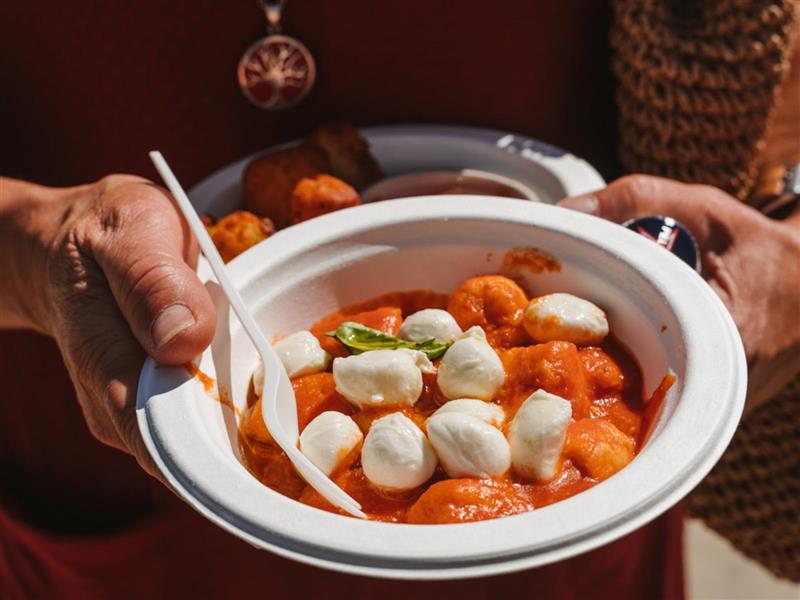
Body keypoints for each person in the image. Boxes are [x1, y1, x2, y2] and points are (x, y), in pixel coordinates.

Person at [1, 1, 797, 598]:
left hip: (566, 540)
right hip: (123, 461)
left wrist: (791, 245)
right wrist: (28, 249)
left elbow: (779, 90)